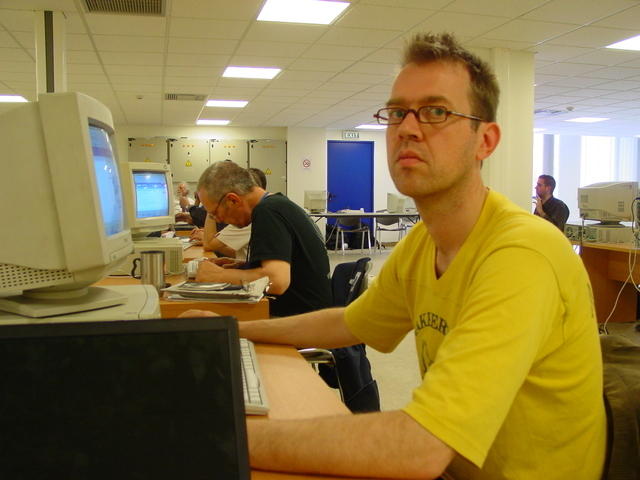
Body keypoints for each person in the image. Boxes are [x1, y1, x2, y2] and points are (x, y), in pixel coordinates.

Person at [207, 33, 606, 479]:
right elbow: (346, 322)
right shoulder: (424, 242)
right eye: (397, 112)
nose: (408, 128)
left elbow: (420, 448)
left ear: (485, 141)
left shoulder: (521, 253)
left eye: (436, 111)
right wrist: (233, 330)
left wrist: (224, 439)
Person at [194, 161, 332, 317]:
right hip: (309, 313)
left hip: (301, 322)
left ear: (233, 200)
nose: (217, 220)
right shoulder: (278, 204)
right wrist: (243, 267)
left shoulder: (267, 212)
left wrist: (217, 276)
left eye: (214, 213)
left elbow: (277, 282)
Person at [190, 168, 267, 260]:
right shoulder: (262, 211)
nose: (219, 219)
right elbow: (247, 254)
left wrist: (212, 206)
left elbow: (208, 244)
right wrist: (240, 263)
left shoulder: (252, 217)